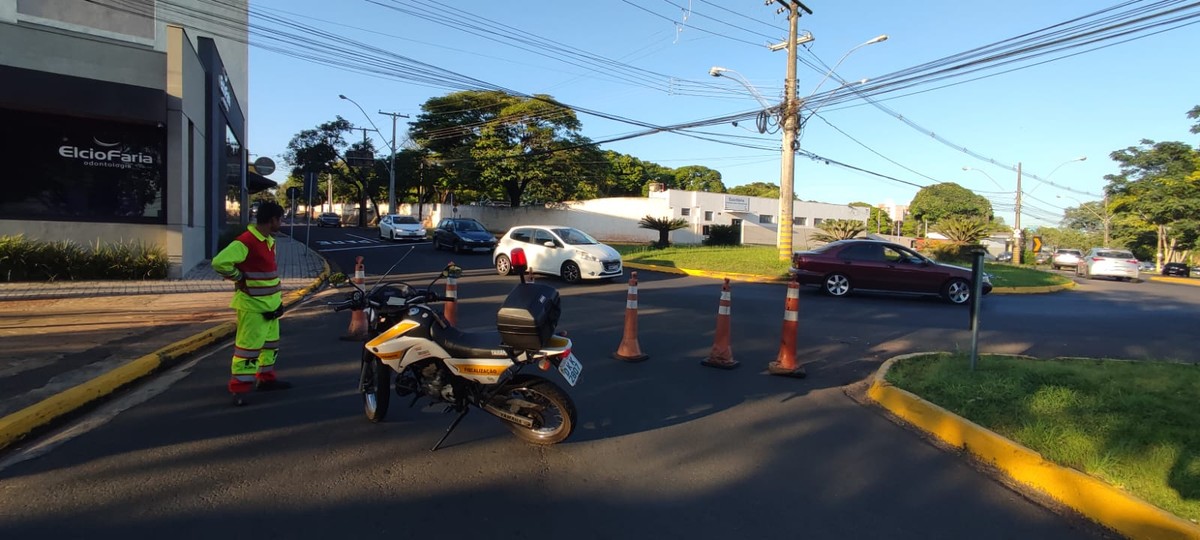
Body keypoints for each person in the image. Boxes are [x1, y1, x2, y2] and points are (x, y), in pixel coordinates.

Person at [212, 201, 289, 401]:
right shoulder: (246, 241)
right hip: (253, 307)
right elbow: (219, 262)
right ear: (272, 220)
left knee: (270, 346)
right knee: (248, 349)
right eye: (280, 219)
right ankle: (239, 388)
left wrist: (278, 303)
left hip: (271, 307)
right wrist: (238, 277)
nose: (281, 223)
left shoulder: (268, 241)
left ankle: (266, 378)